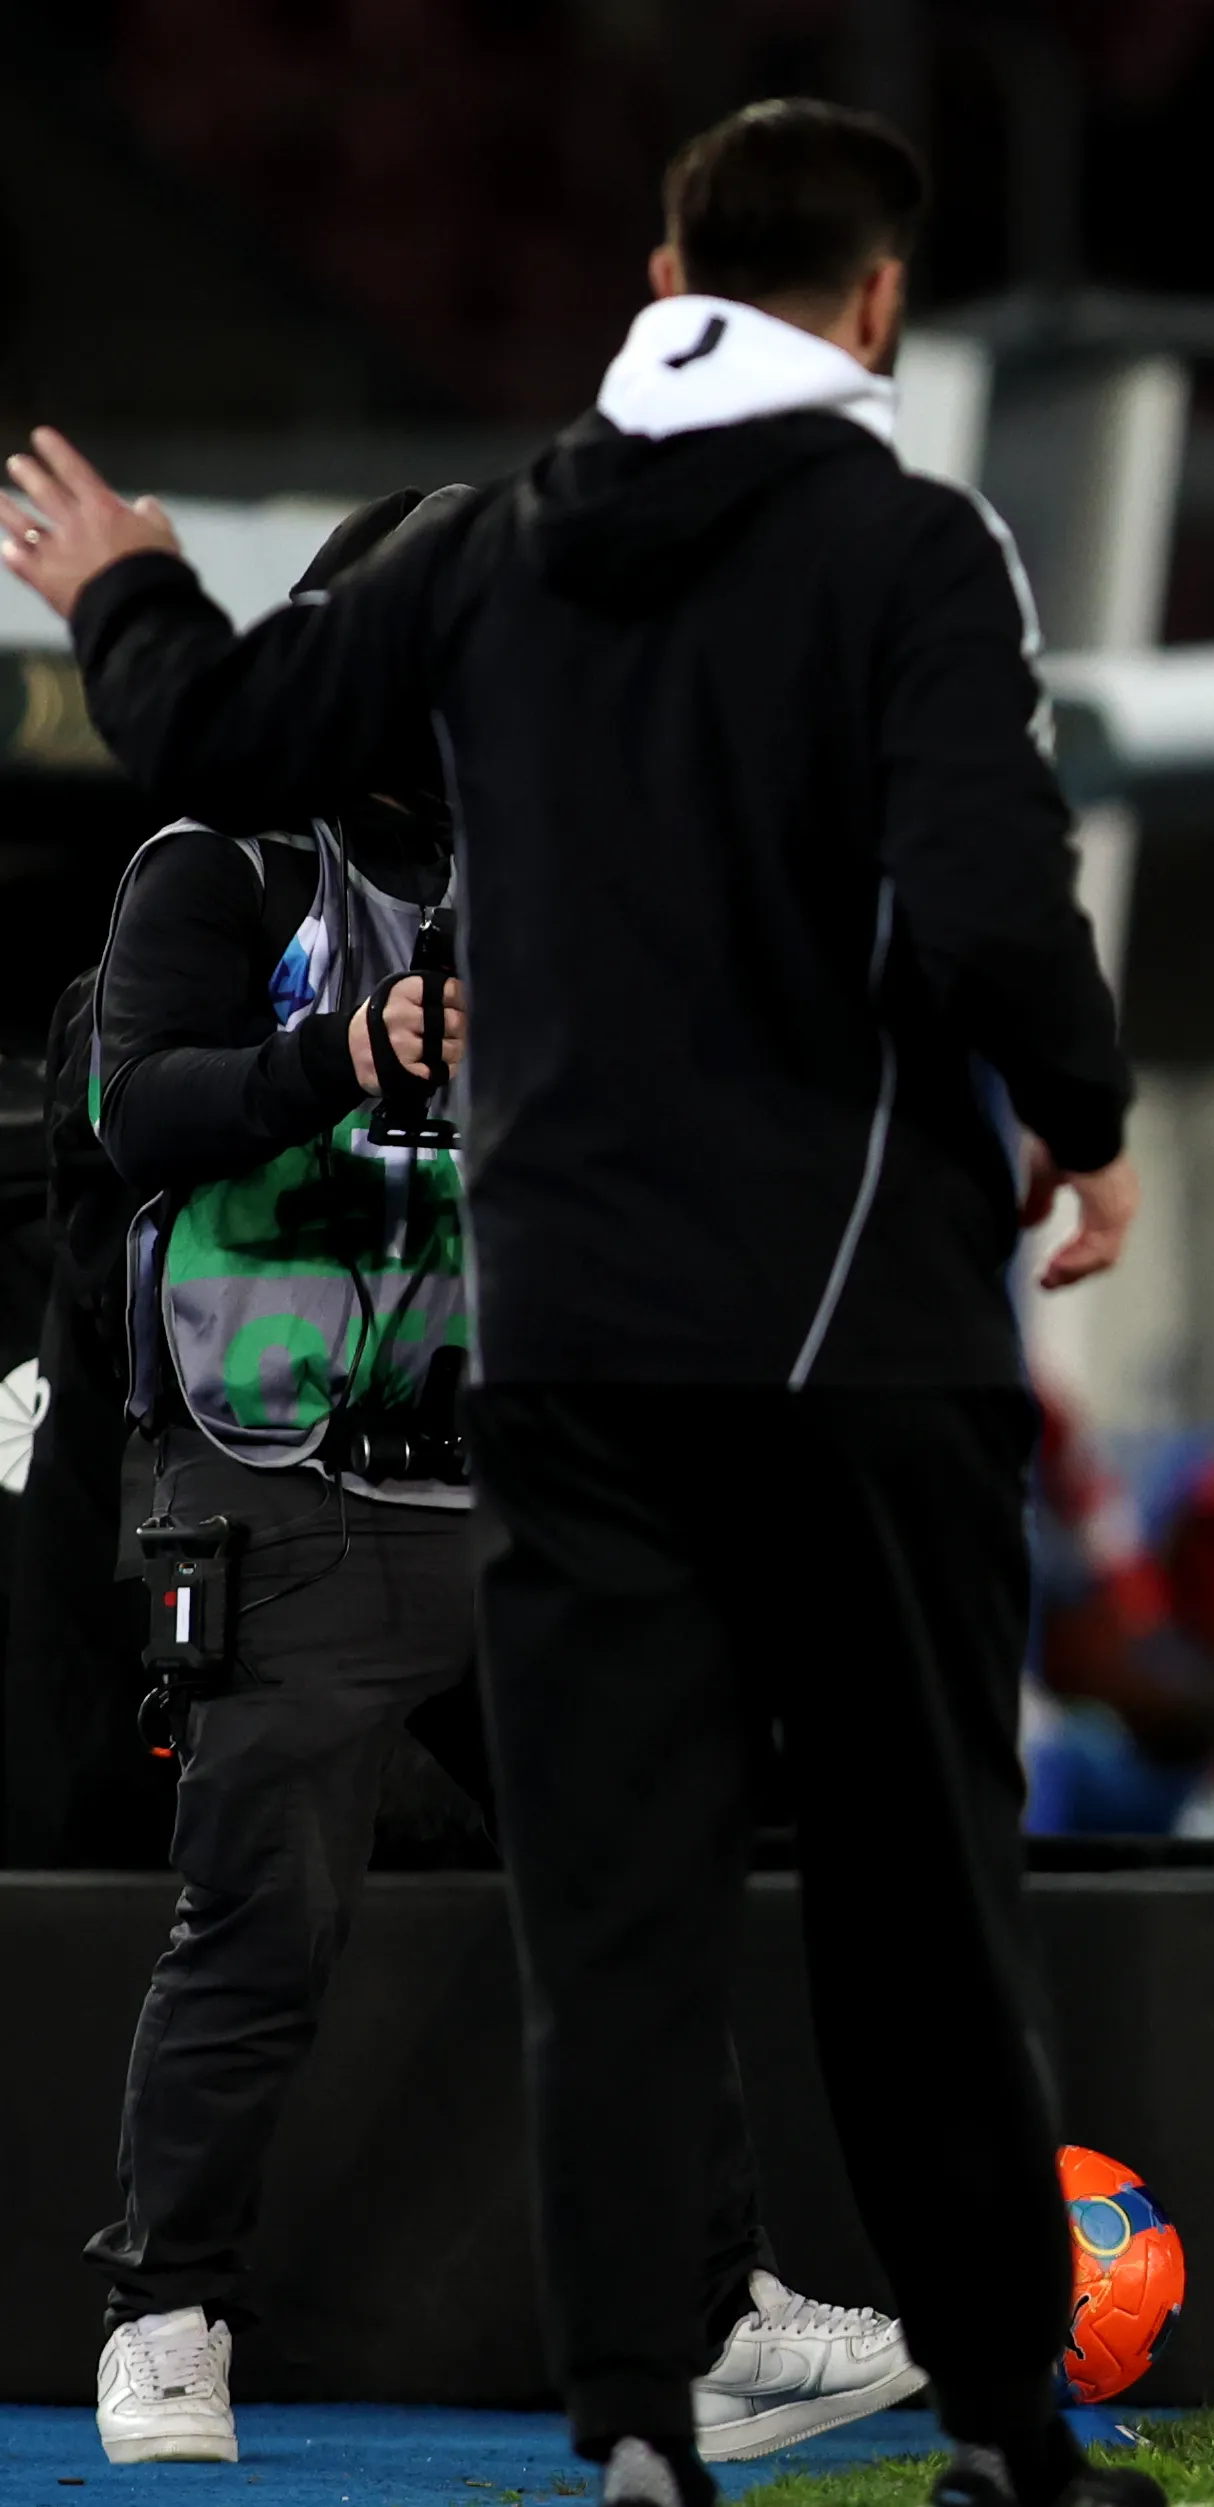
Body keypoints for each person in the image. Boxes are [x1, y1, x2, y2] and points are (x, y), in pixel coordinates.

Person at [7, 99, 1146, 2507]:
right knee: (799, 1891)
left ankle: (661, 2392)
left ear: (658, 277)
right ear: (872, 311)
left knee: (627, 1908)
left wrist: (126, 590)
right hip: (557, 1406)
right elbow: (982, 887)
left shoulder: (521, 617)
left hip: (537, 1402)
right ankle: (183, 2305)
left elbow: (214, 701)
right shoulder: (895, 554)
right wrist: (1074, 1095)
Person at [80, 486, 924, 2473]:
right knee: (262, 1916)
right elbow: (141, 1110)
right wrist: (352, 1050)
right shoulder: (221, 864)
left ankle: (710, 2312)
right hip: (279, 1479)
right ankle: (165, 2315)